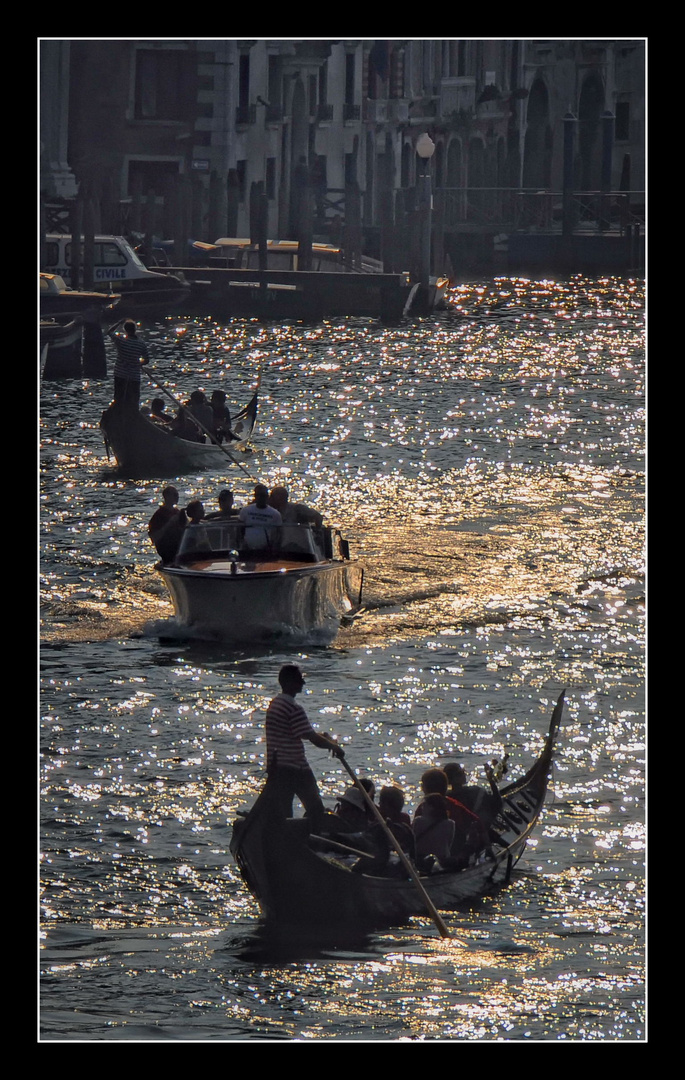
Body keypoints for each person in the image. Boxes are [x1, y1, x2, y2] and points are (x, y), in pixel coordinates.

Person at [264, 663, 345, 830]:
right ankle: (316, 840)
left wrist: (326, 738)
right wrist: (335, 748)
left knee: (284, 812)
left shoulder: (275, 704)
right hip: (296, 768)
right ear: (289, 682)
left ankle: (286, 841)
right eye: (299, 680)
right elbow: (312, 738)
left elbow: (301, 732)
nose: (302, 683)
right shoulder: (294, 708)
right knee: (316, 809)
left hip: (277, 768)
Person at [414, 767, 484, 865]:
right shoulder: (454, 805)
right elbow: (477, 822)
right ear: (446, 787)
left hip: (425, 860)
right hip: (452, 857)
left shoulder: (422, 808)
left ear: (424, 788)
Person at [107, 318, 150, 413]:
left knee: (118, 397)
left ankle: (118, 414)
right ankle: (132, 415)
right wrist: (138, 363)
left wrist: (118, 322)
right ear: (135, 329)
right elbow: (146, 360)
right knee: (134, 400)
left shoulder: (121, 341)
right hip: (134, 376)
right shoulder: (141, 343)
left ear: (125, 330)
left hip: (120, 374)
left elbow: (109, 332)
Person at [413, 793, 455, 869]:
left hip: (421, 859)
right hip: (442, 860)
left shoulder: (418, 821)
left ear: (431, 807)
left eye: (424, 805)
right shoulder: (450, 823)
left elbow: (413, 841)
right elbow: (449, 844)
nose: (422, 808)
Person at [148, 486, 187, 564]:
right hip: (167, 550)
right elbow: (154, 537)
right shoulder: (159, 515)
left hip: (181, 548)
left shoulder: (177, 512)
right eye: (175, 495)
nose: (177, 497)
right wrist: (170, 523)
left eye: (177, 495)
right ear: (167, 497)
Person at [239, 484, 282, 550]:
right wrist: (241, 543)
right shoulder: (245, 511)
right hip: (247, 549)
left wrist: (273, 546)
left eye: (263, 495)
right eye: (258, 495)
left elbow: (278, 534)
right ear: (255, 496)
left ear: (267, 496)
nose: (260, 498)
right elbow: (239, 530)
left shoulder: (275, 514)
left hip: (267, 550)